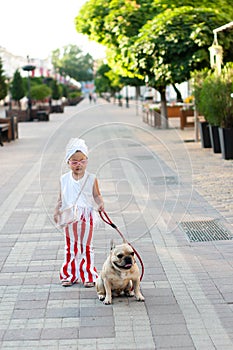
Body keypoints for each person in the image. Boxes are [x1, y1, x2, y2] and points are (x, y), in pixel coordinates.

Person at [54, 138, 104, 288]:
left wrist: (101, 203)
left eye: (82, 161)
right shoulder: (64, 179)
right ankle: (69, 274)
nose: (78, 164)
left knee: (86, 246)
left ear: (86, 161)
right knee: (71, 246)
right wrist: (57, 210)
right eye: (74, 161)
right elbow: (60, 198)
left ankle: (88, 275)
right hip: (70, 216)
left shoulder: (91, 178)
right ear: (68, 162)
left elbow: (97, 195)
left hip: (86, 215)